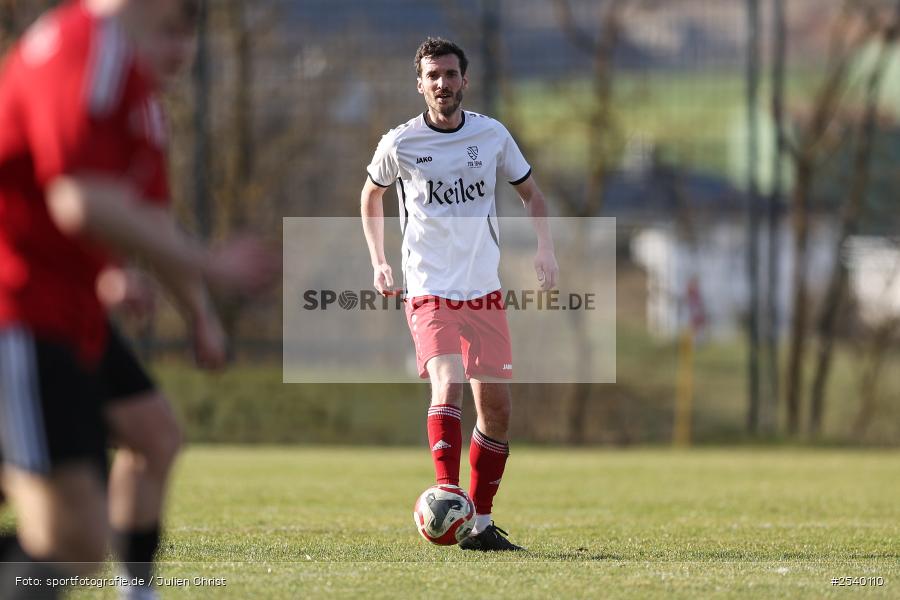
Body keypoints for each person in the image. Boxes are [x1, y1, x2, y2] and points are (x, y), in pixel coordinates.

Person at [0, 1, 277, 598]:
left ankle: (138, 590)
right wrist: (215, 264)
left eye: (190, 32)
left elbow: (147, 219)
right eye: (173, 26)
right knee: (71, 540)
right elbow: (80, 199)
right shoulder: (86, 47)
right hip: (17, 310)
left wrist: (199, 312)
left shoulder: (132, 87)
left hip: (62, 317)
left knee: (136, 455)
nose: (182, 46)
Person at [361, 37, 559, 551]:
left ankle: (481, 524)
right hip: (429, 288)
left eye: (450, 75)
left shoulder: (491, 135)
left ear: (464, 80)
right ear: (420, 83)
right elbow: (371, 194)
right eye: (433, 76)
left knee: (497, 411)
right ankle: (447, 496)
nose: (442, 84)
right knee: (446, 384)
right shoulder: (399, 143)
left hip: (485, 292)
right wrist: (380, 261)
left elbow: (531, 194)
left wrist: (545, 248)